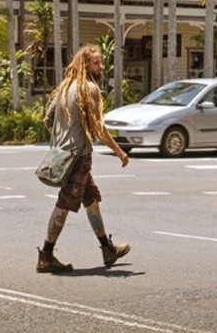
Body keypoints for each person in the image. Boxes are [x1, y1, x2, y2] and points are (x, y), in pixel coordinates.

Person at [37, 45, 131, 273]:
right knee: (65, 203)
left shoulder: (64, 87)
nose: (101, 66)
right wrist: (119, 151)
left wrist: (64, 137)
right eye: (97, 63)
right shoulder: (90, 89)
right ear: (86, 64)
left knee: (91, 199)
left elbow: (47, 120)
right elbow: (99, 129)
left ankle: (107, 249)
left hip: (65, 155)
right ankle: (46, 255)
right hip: (78, 157)